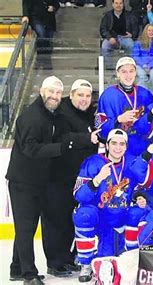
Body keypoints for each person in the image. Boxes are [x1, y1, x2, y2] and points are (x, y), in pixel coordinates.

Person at [6, 76, 80, 284]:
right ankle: (29, 275)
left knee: (26, 226)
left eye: (58, 93)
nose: (55, 96)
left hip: (38, 181)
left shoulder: (50, 115)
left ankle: (16, 267)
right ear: (41, 91)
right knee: (26, 227)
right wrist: (61, 148)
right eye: (51, 92)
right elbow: (30, 148)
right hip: (23, 182)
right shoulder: (32, 117)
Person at [48, 79, 101, 276]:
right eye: (80, 95)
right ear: (71, 96)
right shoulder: (60, 112)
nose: (84, 99)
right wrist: (87, 138)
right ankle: (55, 262)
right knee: (57, 220)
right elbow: (61, 139)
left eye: (87, 96)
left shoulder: (88, 114)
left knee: (72, 220)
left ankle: (67, 259)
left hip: (79, 178)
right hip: (59, 176)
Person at [72, 129, 137, 282]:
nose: (118, 147)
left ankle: (134, 256)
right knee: (83, 214)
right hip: (100, 218)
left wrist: (140, 198)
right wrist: (96, 180)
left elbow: (142, 188)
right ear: (107, 145)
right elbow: (78, 195)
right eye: (114, 143)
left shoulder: (131, 163)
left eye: (122, 144)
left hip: (120, 218)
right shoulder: (93, 162)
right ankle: (85, 263)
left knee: (111, 258)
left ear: (126, 147)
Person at [95, 57, 153, 156]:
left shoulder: (145, 94)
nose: (128, 75)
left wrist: (143, 123)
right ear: (118, 74)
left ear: (135, 73)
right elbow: (100, 128)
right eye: (124, 72)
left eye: (131, 71)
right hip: (118, 153)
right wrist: (118, 120)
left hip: (142, 150)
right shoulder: (108, 95)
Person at [100, 0, 139, 69]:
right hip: (112, 38)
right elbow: (103, 29)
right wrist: (109, 37)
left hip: (125, 38)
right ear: (113, 4)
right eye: (116, 3)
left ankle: (129, 66)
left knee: (131, 45)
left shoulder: (130, 15)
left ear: (123, 4)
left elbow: (136, 28)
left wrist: (132, 35)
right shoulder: (107, 15)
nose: (118, 5)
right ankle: (109, 68)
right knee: (104, 46)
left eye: (120, 3)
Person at [22, 0, 60, 69]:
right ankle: (41, 57)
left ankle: (46, 60)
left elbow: (57, 4)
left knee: (49, 40)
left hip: (49, 19)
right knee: (41, 34)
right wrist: (25, 15)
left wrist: (53, 8)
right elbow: (26, 3)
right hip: (36, 17)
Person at [132, 24, 153, 94]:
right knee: (142, 76)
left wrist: (150, 65)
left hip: (152, 66)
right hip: (140, 65)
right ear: (145, 31)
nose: (151, 32)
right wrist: (143, 65)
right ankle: (142, 94)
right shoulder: (138, 42)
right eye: (149, 30)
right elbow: (135, 56)